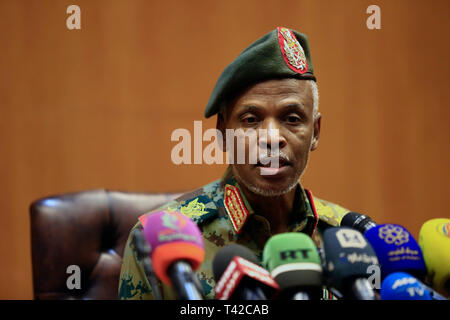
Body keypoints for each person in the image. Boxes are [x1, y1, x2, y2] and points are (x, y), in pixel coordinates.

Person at [119, 26, 350, 300]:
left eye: (292, 118)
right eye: (251, 120)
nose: (272, 138)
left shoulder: (346, 240)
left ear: (316, 132)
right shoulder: (158, 242)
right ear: (222, 134)